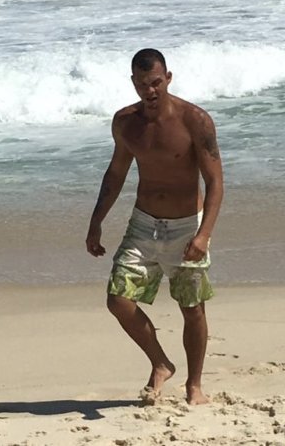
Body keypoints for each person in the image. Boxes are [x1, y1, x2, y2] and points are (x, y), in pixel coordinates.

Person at [86, 48, 224, 405]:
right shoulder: (125, 123)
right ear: (133, 83)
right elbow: (116, 174)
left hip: (186, 226)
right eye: (142, 84)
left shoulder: (195, 120)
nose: (150, 91)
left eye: (156, 83)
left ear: (168, 79)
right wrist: (96, 221)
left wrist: (204, 234)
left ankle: (195, 386)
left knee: (192, 308)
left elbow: (215, 182)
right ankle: (161, 362)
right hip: (144, 224)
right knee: (118, 299)